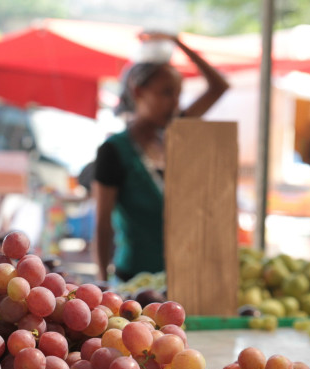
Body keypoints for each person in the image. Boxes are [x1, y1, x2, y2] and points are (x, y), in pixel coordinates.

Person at [92, 32, 229, 282]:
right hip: (133, 282)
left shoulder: (175, 136)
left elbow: (220, 86)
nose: (175, 103)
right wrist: (102, 281)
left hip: (181, 281)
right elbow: (103, 226)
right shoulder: (114, 151)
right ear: (138, 91)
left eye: (179, 93)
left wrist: (178, 43)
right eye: (167, 93)